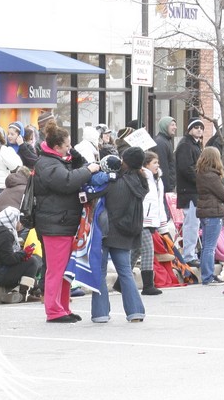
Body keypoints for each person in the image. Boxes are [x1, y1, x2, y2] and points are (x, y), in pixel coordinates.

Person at [34, 120, 100, 323]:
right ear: (56, 147)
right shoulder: (47, 164)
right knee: (55, 269)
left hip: (63, 222)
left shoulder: (57, 160)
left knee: (66, 270)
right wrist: (89, 170)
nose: (70, 147)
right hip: (55, 224)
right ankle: (53, 310)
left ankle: (63, 307)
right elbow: (67, 182)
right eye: (67, 145)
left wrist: (77, 158)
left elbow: (72, 170)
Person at [91, 147, 148, 323]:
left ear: (126, 161)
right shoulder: (141, 183)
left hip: (106, 231)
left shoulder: (114, 181)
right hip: (126, 233)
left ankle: (100, 313)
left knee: (99, 272)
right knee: (125, 272)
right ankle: (135, 312)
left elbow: (92, 192)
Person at [0, 206, 42, 303]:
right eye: (18, 220)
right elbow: (9, 259)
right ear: (12, 220)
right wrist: (24, 253)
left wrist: (22, 255)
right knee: (33, 262)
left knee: (33, 261)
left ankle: (17, 291)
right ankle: (24, 293)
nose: (20, 224)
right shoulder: (5, 235)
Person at [194, 146, 224, 286]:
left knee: (207, 246)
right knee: (210, 246)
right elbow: (223, 195)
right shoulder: (212, 176)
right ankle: (207, 276)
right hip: (213, 211)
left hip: (204, 211)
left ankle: (206, 274)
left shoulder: (201, 173)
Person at [175, 119, 204, 266]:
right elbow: (186, 168)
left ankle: (191, 253)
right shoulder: (185, 145)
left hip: (194, 190)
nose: (199, 130)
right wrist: (201, 181)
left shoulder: (195, 144)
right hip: (189, 191)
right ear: (189, 129)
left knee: (194, 224)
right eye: (196, 127)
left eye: (201, 128)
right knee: (191, 224)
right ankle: (188, 255)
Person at [139, 151, 167, 295]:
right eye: (154, 163)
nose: (157, 165)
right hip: (142, 219)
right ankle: (148, 285)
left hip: (151, 220)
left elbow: (159, 202)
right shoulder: (142, 177)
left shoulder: (157, 179)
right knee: (148, 250)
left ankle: (120, 283)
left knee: (135, 251)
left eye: (158, 163)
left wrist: (162, 224)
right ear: (146, 164)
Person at [154, 116, 177, 192]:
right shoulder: (160, 142)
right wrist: (167, 188)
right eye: (172, 125)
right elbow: (163, 167)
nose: (175, 127)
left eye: (175, 125)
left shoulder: (166, 141)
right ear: (165, 126)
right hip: (165, 188)